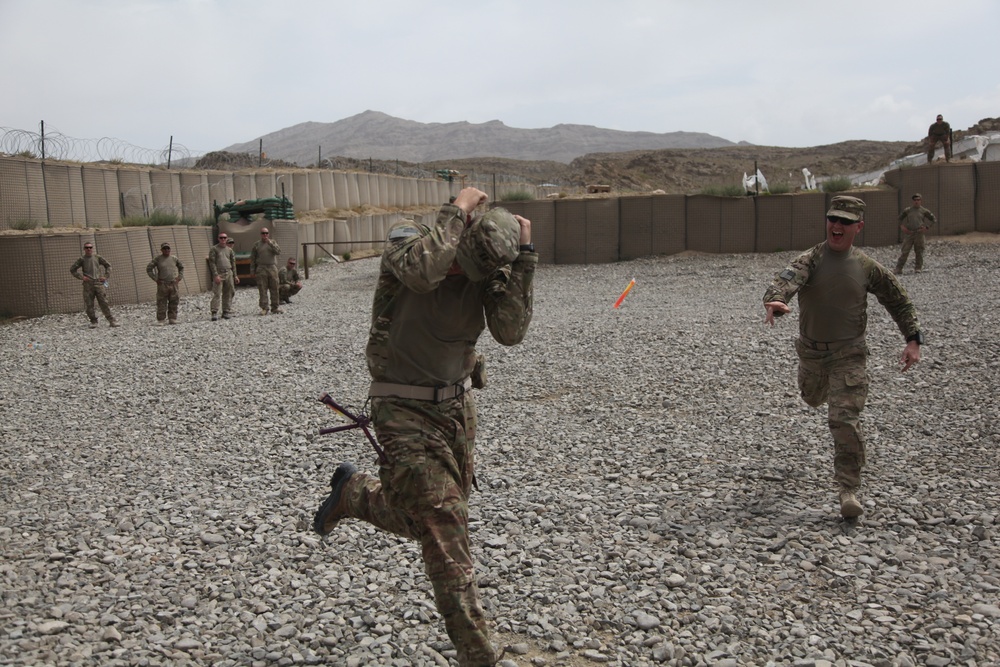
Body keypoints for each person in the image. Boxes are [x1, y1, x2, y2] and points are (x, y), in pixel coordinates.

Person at [312, 187, 537, 667]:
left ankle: (354, 494)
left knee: (427, 520)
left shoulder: (484, 263)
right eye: (462, 262)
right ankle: (479, 655)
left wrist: (524, 259)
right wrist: (455, 212)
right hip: (401, 406)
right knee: (444, 523)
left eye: (472, 270)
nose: (461, 274)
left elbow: (510, 331)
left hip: (456, 411)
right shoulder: (410, 240)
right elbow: (424, 270)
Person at [762, 195, 923, 519]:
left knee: (844, 420)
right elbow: (784, 281)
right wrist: (775, 301)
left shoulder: (867, 267)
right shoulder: (810, 259)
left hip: (849, 355)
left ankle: (848, 489)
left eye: (845, 222)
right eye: (833, 219)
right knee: (811, 398)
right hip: (811, 355)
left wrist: (913, 339)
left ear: (858, 227)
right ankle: (822, 391)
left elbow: (899, 301)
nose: (837, 226)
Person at [70, 242, 119, 329]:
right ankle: (93, 321)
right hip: (88, 284)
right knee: (89, 304)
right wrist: (81, 277)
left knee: (104, 302)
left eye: (90, 247)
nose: (89, 249)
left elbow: (108, 265)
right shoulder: (82, 259)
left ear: (92, 248)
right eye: (87, 248)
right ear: (84, 249)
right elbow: (72, 269)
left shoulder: (97, 257)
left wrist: (105, 276)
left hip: (98, 283)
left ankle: (111, 320)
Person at [894, 193, 937, 275]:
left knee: (919, 251)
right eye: (915, 200)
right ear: (913, 201)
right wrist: (902, 227)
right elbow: (900, 218)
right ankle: (898, 268)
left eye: (918, 200)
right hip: (909, 233)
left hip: (919, 233)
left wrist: (927, 227)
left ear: (921, 201)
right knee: (905, 251)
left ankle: (918, 268)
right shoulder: (908, 210)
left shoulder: (924, 211)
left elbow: (933, 219)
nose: (916, 202)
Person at [146, 242, 185, 324]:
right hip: (163, 284)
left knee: (174, 301)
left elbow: (181, 267)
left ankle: (172, 318)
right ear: (161, 250)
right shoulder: (158, 259)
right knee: (161, 302)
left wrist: (179, 277)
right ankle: (161, 319)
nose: (166, 250)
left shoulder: (174, 258)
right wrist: (156, 279)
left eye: (168, 248)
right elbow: (149, 268)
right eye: (164, 248)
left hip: (173, 283)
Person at [250, 227, 282, 315]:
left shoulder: (273, 242)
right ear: (260, 234)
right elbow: (253, 258)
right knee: (262, 288)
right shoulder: (256, 245)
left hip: (272, 267)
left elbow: (278, 252)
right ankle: (264, 308)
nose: (265, 235)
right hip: (261, 268)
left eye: (266, 233)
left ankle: (275, 307)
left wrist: (270, 243)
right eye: (263, 233)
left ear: (268, 234)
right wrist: (252, 270)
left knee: (274, 287)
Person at [209, 232, 240, 320]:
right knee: (217, 293)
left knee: (229, 292)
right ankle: (214, 312)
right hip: (219, 273)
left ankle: (226, 311)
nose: (223, 239)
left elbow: (233, 263)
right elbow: (212, 263)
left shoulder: (230, 250)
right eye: (221, 238)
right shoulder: (214, 249)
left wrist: (235, 276)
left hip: (228, 272)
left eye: (224, 238)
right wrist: (215, 275)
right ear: (218, 239)